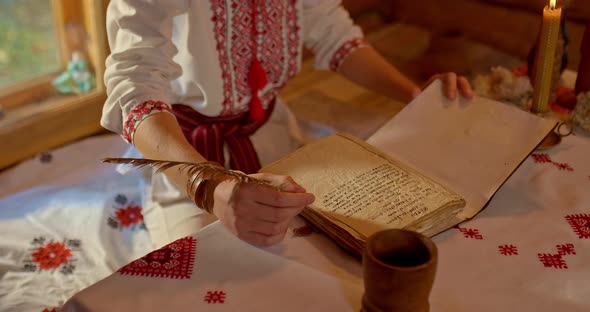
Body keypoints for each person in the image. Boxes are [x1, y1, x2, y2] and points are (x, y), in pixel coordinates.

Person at [102, 0, 474, 248]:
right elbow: (135, 90)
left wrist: (412, 94)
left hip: (271, 135)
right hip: (186, 156)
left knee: (344, 249)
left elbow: (336, 36)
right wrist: (208, 185)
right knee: (212, 274)